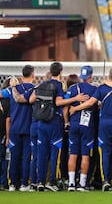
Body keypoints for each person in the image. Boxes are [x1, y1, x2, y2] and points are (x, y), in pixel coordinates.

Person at [27, 62, 82, 191]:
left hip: (41, 123)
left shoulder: (42, 84)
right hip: (54, 122)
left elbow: (31, 100)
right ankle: (52, 182)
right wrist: (75, 98)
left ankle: (40, 181)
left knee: (41, 154)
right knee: (54, 154)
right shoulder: (59, 85)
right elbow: (59, 102)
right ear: (61, 72)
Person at [74, 67, 112, 190]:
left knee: (105, 152)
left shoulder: (101, 88)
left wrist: (75, 109)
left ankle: (105, 181)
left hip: (104, 123)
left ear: (109, 76)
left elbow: (89, 103)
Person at [0, 64, 35, 191]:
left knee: (14, 156)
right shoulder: (35, 89)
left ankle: (13, 184)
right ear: (33, 75)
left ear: (22, 75)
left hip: (14, 128)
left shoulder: (12, 89)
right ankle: (24, 183)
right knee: (26, 157)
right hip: (28, 128)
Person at [65, 65, 97, 191]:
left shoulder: (72, 89)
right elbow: (98, 104)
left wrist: (67, 120)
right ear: (91, 76)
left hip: (74, 124)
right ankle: (82, 184)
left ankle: (71, 183)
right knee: (85, 155)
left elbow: (65, 106)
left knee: (72, 154)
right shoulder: (94, 89)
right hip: (87, 125)